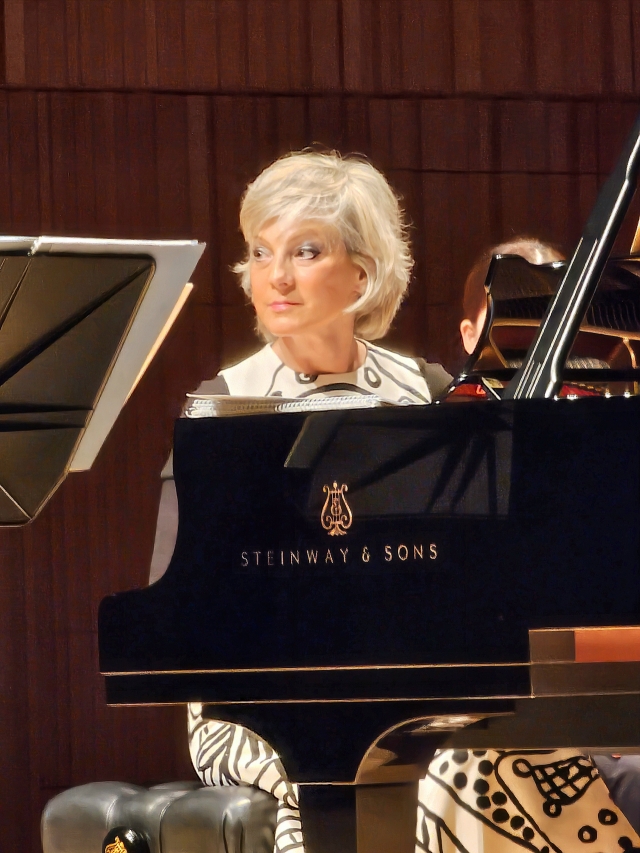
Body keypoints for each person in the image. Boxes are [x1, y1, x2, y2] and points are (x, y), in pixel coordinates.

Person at [150, 150, 452, 853]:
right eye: (261, 252)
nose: (275, 276)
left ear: (363, 270)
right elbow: (177, 603)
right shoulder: (221, 407)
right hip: (253, 700)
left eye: (306, 250)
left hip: (418, 683)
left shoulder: (429, 393)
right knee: (368, 769)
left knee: (497, 758)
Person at [415, 237, 640, 853]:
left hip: (608, 701)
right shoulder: (435, 443)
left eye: (551, 309)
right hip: (511, 711)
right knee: (468, 768)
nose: (534, 332)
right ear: (469, 334)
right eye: (512, 312)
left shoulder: (610, 426)